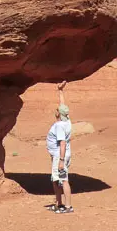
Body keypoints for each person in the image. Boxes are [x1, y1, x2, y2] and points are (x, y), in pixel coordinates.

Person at [47, 81, 73, 214]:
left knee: (63, 180)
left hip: (60, 156)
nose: (56, 110)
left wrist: (61, 161)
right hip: (61, 155)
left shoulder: (60, 126)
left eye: (57, 110)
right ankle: (59, 204)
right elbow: (63, 106)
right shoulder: (67, 121)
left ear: (58, 114)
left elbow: (62, 143)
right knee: (56, 180)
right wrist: (60, 91)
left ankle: (68, 206)